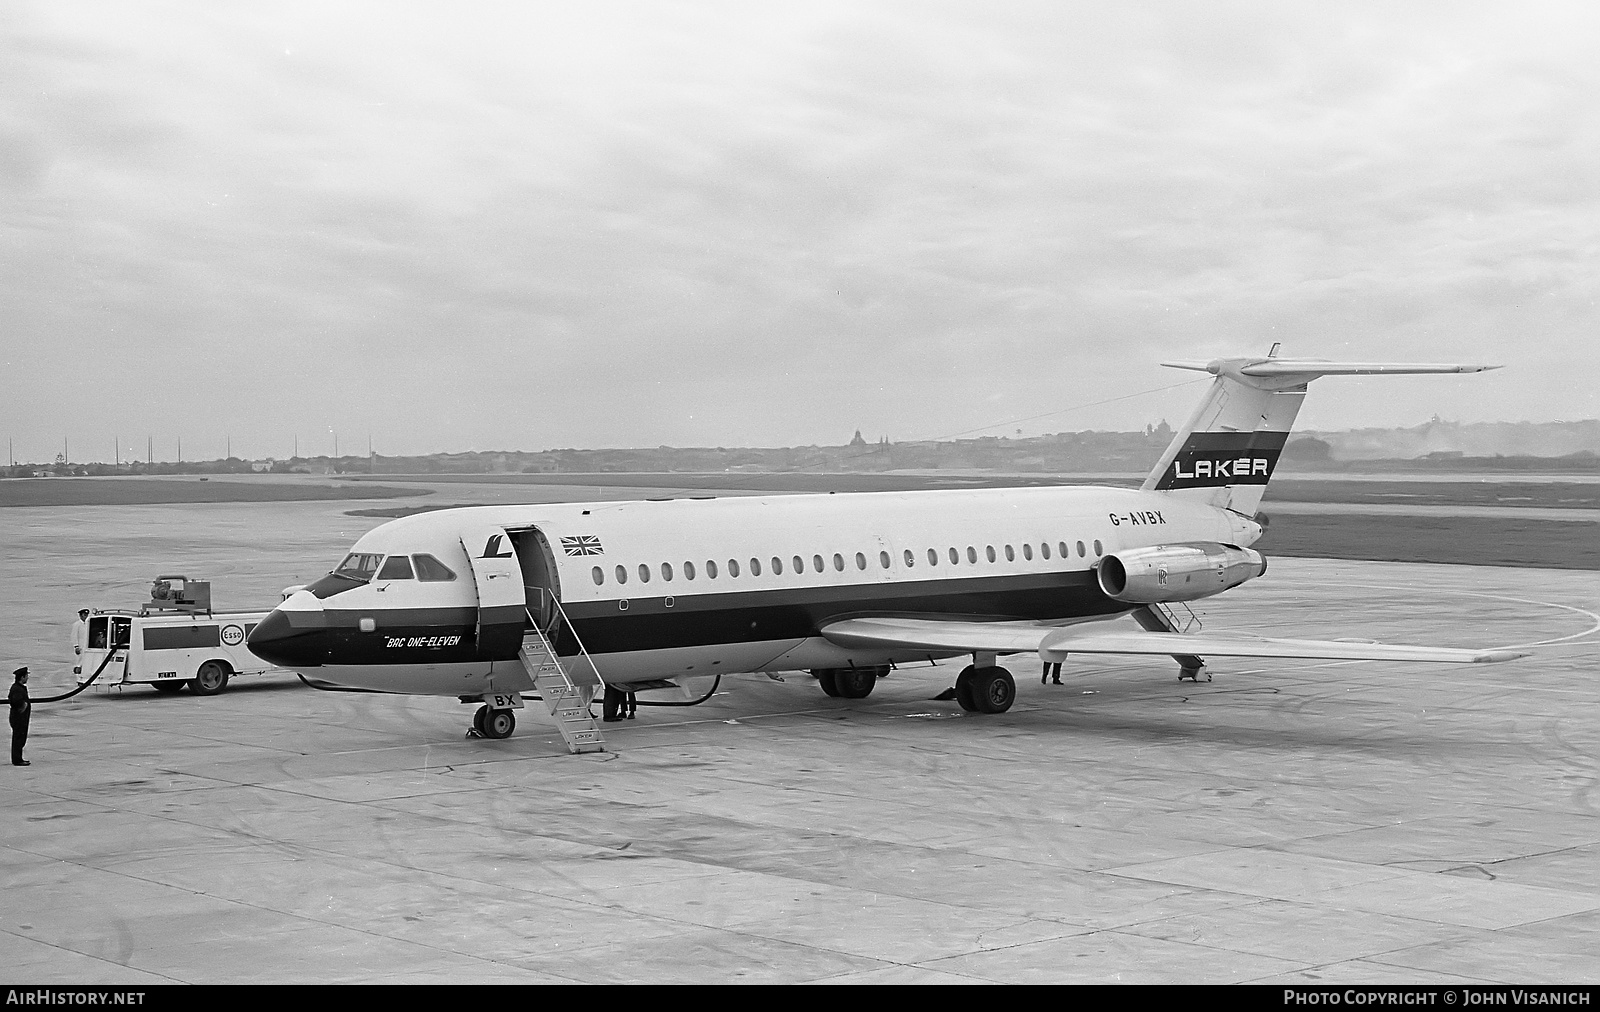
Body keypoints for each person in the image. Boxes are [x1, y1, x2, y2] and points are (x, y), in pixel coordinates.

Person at [10, 667, 31, 766]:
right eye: (26, 676)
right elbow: (15, 701)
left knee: (20, 738)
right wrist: (24, 706)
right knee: (18, 738)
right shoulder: (17, 689)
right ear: (22, 677)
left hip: (21, 718)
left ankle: (19, 758)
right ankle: (17, 760)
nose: (27, 678)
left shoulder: (20, 687)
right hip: (19, 718)